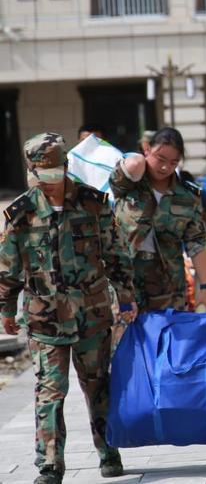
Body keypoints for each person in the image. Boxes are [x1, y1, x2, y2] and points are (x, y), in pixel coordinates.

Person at [0, 133, 137, 484]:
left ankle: (108, 451)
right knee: (49, 391)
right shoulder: (20, 213)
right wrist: (5, 309)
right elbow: (7, 267)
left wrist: (125, 295)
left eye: (55, 172)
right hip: (45, 318)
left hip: (91, 314)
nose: (49, 181)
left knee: (98, 386)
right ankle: (49, 465)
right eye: (41, 174)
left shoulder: (94, 203)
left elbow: (115, 253)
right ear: (32, 170)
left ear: (65, 166)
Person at [109, 127, 206, 313]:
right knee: (124, 337)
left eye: (174, 162)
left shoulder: (187, 196)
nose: (166, 167)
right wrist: (140, 159)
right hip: (124, 279)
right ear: (146, 149)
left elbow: (196, 243)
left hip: (167, 285)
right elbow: (129, 167)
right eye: (160, 159)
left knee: (166, 338)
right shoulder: (128, 183)